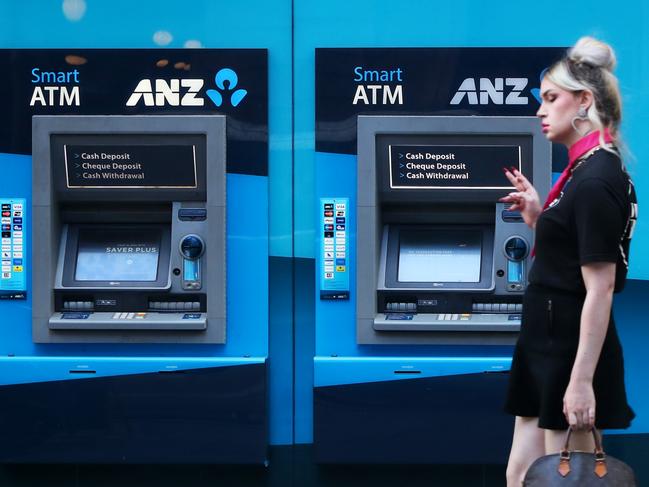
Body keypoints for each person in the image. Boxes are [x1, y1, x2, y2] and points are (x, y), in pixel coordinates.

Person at [501, 36, 637, 487]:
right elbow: (569, 259)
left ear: (584, 102)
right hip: (544, 338)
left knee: (568, 478)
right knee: (521, 475)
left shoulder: (597, 179)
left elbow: (599, 286)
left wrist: (581, 382)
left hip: (566, 348)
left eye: (551, 99)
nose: (541, 111)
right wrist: (540, 217)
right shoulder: (581, 171)